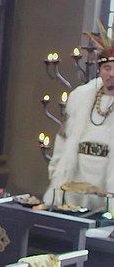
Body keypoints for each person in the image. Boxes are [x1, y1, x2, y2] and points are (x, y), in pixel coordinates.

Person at [44, 22, 114, 209]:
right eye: (107, 68)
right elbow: (63, 137)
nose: (111, 74)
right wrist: (56, 171)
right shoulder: (81, 97)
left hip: (107, 187)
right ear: (100, 69)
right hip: (76, 184)